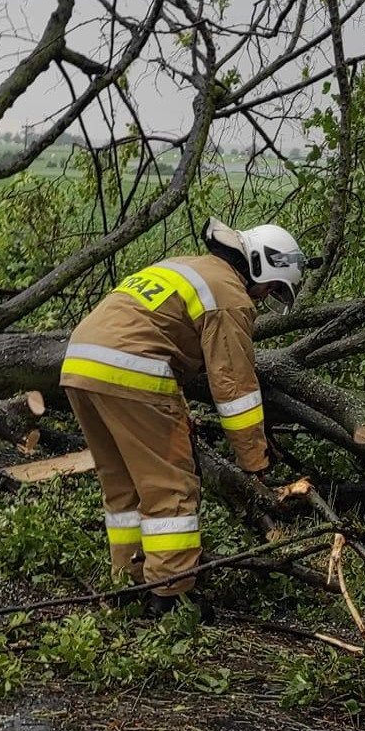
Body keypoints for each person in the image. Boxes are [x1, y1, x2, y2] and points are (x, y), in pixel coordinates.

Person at [60, 217, 310, 614]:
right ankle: (169, 596)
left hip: (80, 365)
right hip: (132, 370)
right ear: (261, 266)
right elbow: (235, 388)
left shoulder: (189, 266)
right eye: (272, 288)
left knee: (122, 484)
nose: (265, 298)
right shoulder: (230, 295)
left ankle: (129, 582)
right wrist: (254, 460)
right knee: (170, 484)